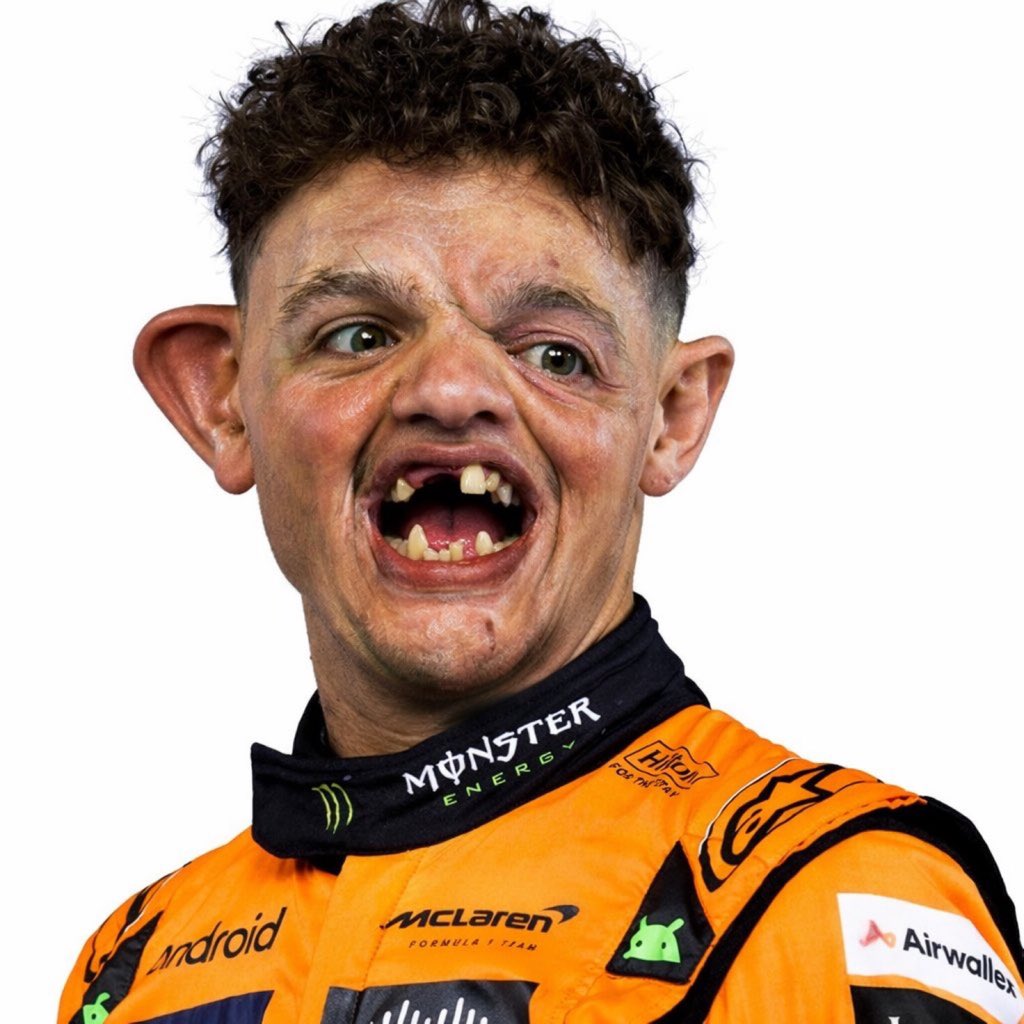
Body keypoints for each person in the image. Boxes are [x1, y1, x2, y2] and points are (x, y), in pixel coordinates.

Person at [57, 2, 1022, 1022]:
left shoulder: (827, 896)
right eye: (357, 335)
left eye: (555, 354)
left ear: (671, 418)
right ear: (220, 401)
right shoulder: (132, 967)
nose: (449, 390)